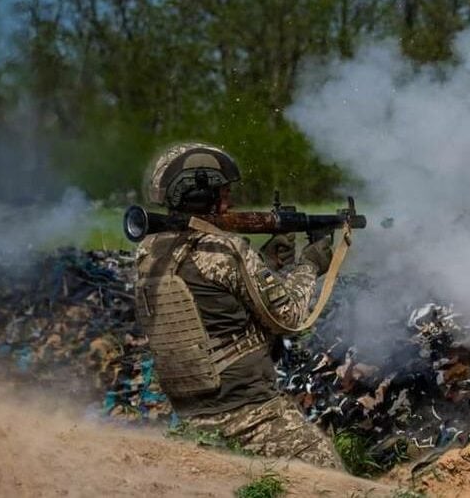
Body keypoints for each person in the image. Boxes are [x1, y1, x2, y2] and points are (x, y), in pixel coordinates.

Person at [134, 142, 341, 468]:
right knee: (332, 480)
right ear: (201, 196)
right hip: (250, 412)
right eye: (223, 193)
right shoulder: (225, 250)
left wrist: (265, 261)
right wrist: (309, 265)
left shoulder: (150, 251)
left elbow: (212, 295)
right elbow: (288, 318)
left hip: (192, 412)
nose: (229, 201)